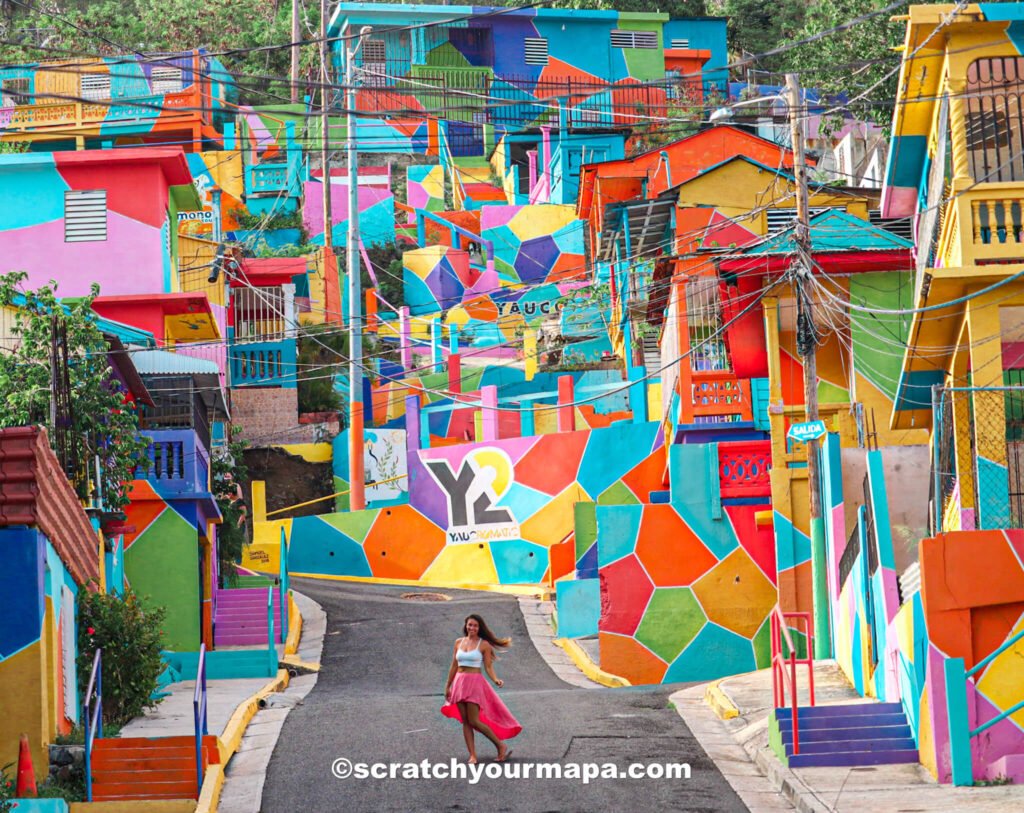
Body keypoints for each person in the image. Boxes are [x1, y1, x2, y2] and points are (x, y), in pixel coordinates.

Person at [441, 614, 522, 763]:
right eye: (469, 625)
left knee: (474, 720)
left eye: (475, 626)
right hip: (459, 682)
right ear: (466, 625)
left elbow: (488, 667)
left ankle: (500, 745)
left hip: (474, 683)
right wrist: (448, 686)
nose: (472, 628)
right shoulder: (458, 642)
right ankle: (473, 755)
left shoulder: (483, 645)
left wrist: (496, 679)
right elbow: (454, 665)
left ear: (479, 628)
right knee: (465, 721)